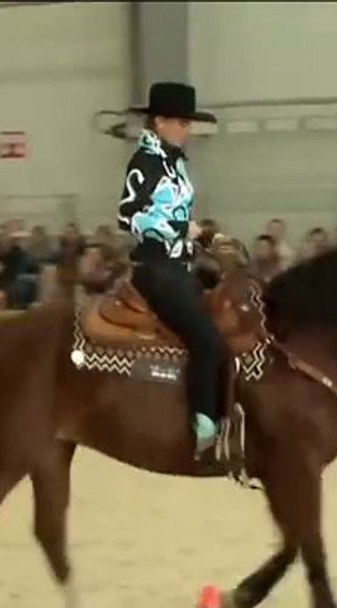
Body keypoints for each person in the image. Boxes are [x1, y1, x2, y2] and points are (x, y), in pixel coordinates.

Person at [116, 81, 226, 458]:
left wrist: (205, 238)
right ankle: (204, 430)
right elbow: (128, 215)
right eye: (181, 122)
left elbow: (177, 216)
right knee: (207, 340)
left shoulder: (173, 162)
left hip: (180, 264)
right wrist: (183, 229)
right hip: (157, 269)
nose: (187, 129)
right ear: (159, 122)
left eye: (188, 122)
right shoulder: (145, 162)